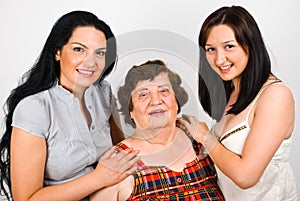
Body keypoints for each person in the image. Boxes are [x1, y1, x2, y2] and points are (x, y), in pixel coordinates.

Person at [0, 10, 140, 201]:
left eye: (100, 53)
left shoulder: (103, 93)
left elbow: (120, 149)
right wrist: (98, 178)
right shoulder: (34, 109)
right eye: (79, 49)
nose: (90, 62)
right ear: (57, 52)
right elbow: (25, 199)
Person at [181, 5, 298, 200]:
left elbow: (246, 176)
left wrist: (205, 137)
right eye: (211, 49)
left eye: (229, 46)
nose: (219, 59)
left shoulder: (276, 95)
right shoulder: (231, 92)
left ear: (250, 44)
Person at [90, 59, 225, 200]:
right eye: (143, 94)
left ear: (177, 102)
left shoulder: (201, 140)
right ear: (131, 111)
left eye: (164, 90)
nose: (155, 100)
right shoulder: (118, 162)